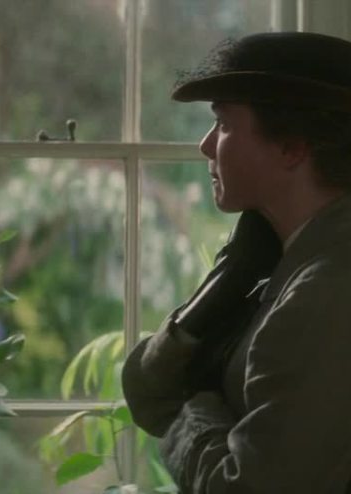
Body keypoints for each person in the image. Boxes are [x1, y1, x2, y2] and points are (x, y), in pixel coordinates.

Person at [122, 32, 351, 493]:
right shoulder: (278, 260)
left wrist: (194, 407)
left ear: (291, 147)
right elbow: (147, 388)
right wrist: (228, 278)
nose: (206, 146)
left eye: (223, 123)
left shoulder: (324, 292)